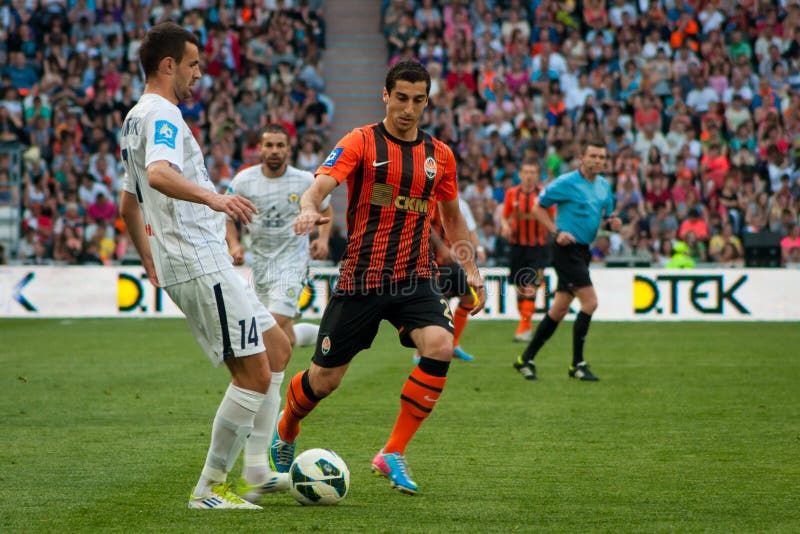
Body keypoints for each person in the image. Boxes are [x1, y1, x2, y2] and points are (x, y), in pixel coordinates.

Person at [270, 60, 486, 495]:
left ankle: (392, 452)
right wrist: (310, 207)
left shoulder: (439, 155)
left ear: (427, 101)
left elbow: (452, 219)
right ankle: (288, 426)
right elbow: (322, 183)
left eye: (418, 100)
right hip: (362, 277)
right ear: (385, 96)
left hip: (414, 276)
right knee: (324, 381)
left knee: (441, 345)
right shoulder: (362, 141)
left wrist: (472, 271)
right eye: (401, 98)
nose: (409, 108)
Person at [118, 21, 292, 510]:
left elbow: (128, 202)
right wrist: (215, 200)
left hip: (192, 259)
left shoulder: (135, 118)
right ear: (169, 65)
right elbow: (158, 175)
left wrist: (148, 257)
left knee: (277, 346)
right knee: (254, 373)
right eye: (193, 65)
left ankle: (257, 469)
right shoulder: (163, 115)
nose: (199, 74)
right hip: (198, 260)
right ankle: (210, 488)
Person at [224, 122, 332, 501]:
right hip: (261, 267)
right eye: (268, 144)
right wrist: (234, 243)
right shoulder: (244, 180)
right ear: (260, 147)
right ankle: (314, 334)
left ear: (289, 148)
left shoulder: (304, 179)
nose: (273, 150)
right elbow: (227, 215)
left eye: (280, 145)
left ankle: (260, 448)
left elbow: (327, 208)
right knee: (279, 337)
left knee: (272, 337)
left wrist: (320, 239)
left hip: (292, 264)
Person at [513, 138, 621, 381]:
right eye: (593, 156)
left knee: (559, 309)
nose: (597, 161)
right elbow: (537, 209)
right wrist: (556, 232)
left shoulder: (604, 186)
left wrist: (612, 223)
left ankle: (525, 359)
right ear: (582, 158)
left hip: (583, 251)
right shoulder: (566, 183)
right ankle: (577, 365)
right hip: (565, 250)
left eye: (601, 157)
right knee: (590, 302)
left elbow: (607, 216)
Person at [415, 197, 486, 362]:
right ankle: (421, 351)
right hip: (432, 261)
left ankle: (454, 344)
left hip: (452, 261)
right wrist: (441, 248)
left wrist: (476, 249)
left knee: (469, 300)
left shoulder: (458, 202)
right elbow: (425, 225)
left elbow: (468, 229)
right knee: (434, 307)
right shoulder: (428, 199)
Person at [500, 158, 553, 343]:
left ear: (537, 176)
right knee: (520, 289)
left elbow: (552, 219)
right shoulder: (511, 194)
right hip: (517, 247)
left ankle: (522, 328)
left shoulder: (545, 195)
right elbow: (505, 216)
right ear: (520, 175)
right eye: (526, 172)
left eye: (533, 173)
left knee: (530, 287)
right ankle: (526, 325)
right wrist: (505, 226)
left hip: (538, 247)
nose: (529, 176)